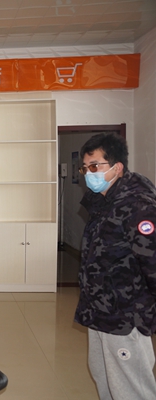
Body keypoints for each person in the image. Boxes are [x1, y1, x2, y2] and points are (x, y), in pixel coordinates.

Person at [75, 133, 156, 399]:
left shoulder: (138, 206)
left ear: (117, 167)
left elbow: (152, 262)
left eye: (95, 166)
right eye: (85, 168)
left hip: (125, 317)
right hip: (100, 312)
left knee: (130, 388)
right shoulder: (103, 203)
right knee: (104, 378)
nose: (89, 174)